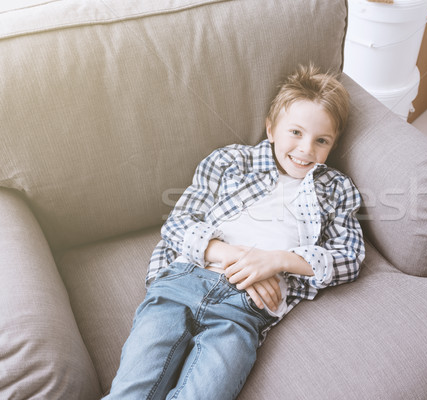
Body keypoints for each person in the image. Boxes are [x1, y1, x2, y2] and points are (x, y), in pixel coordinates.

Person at [104, 64, 365, 400]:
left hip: (244, 310)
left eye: (322, 140)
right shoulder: (230, 161)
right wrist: (234, 256)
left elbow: (350, 257)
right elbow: (177, 224)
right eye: (296, 133)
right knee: (132, 391)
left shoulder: (336, 188)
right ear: (271, 129)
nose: (306, 150)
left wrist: (276, 261)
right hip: (183, 282)